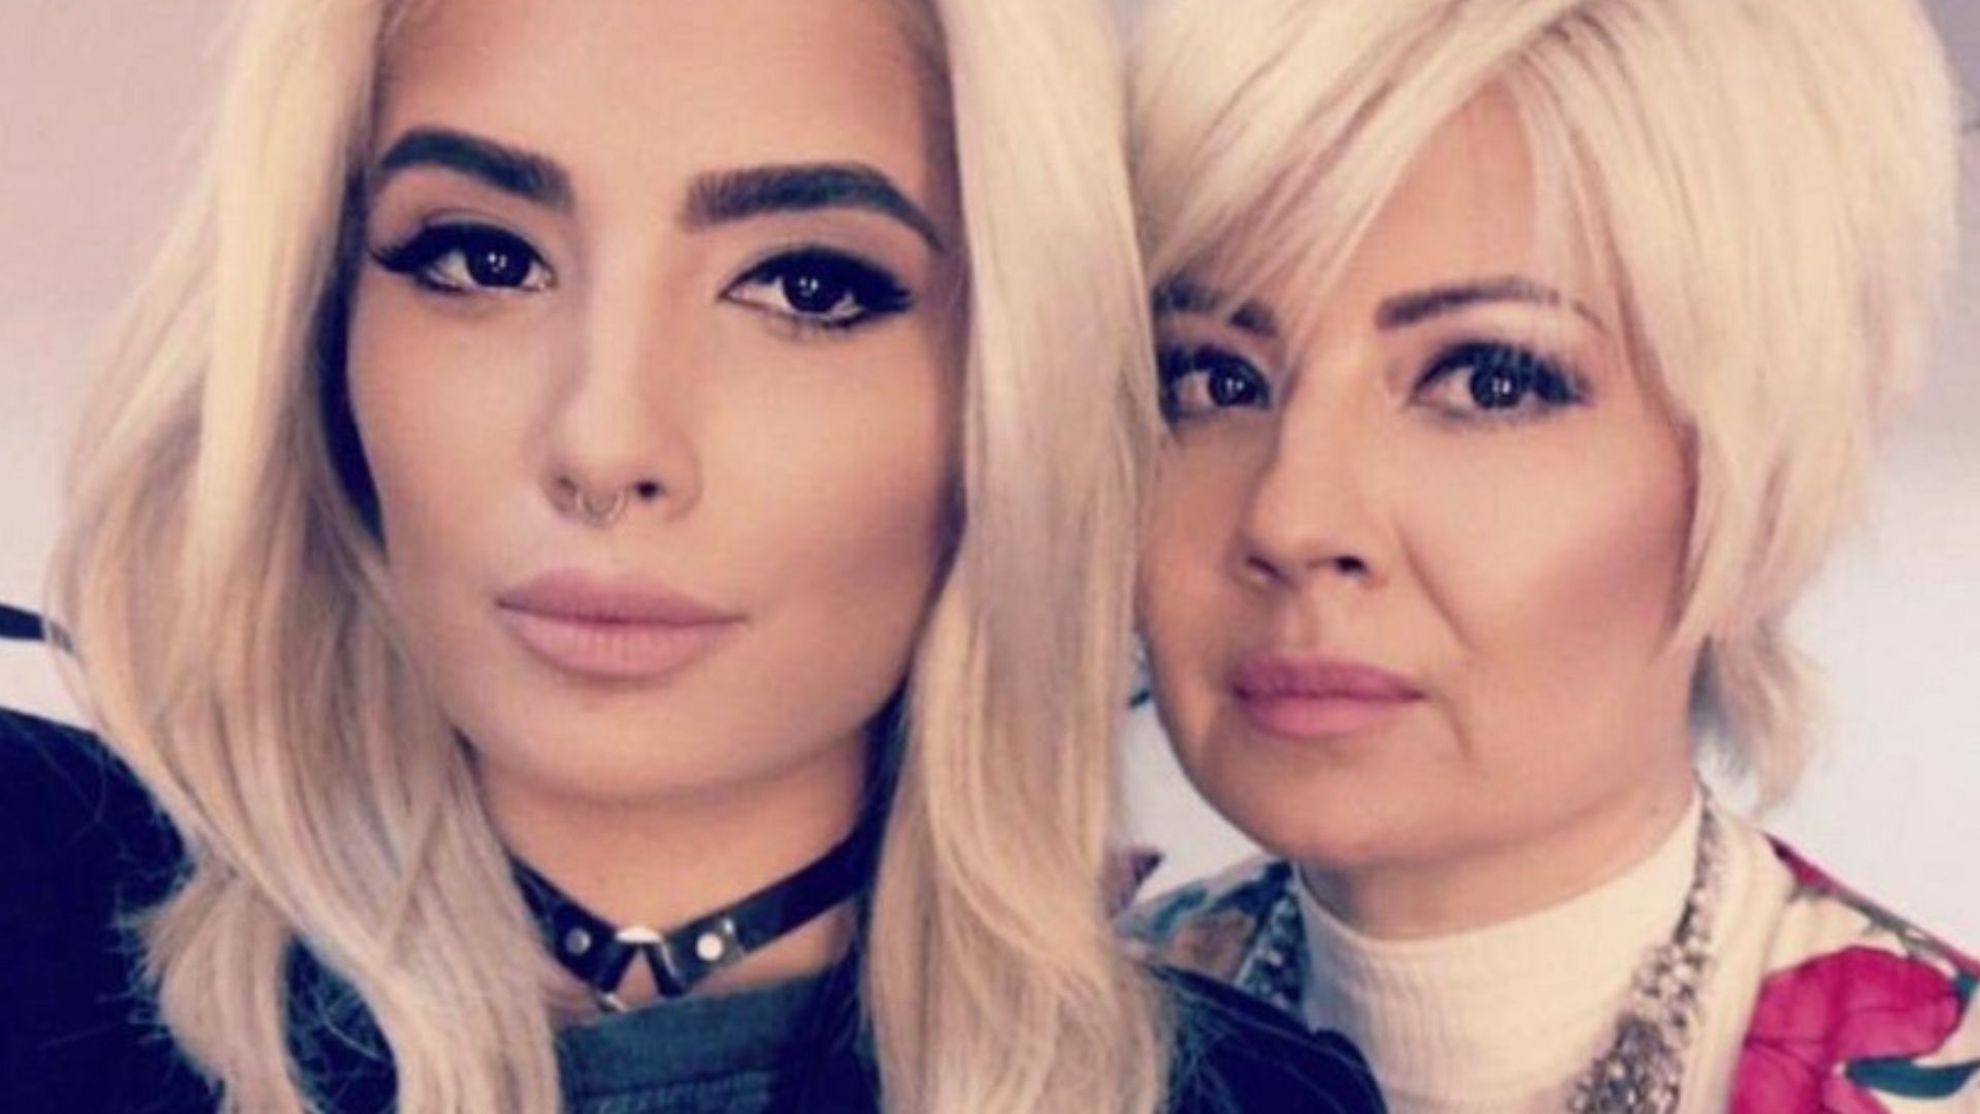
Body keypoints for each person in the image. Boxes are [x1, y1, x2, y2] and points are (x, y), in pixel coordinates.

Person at [0, 1, 1384, 1112]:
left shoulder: (1243, 1097)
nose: (605, 443)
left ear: (1009, 394)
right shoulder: (48, 916)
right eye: (483, 258)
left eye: (805, 286)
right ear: (320, 338)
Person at [1116, 0, 1974, 1110]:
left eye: (1491, 381)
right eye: (1214, 378)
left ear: (1753, 491)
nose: (1292, 519)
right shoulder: (1033, 1048)